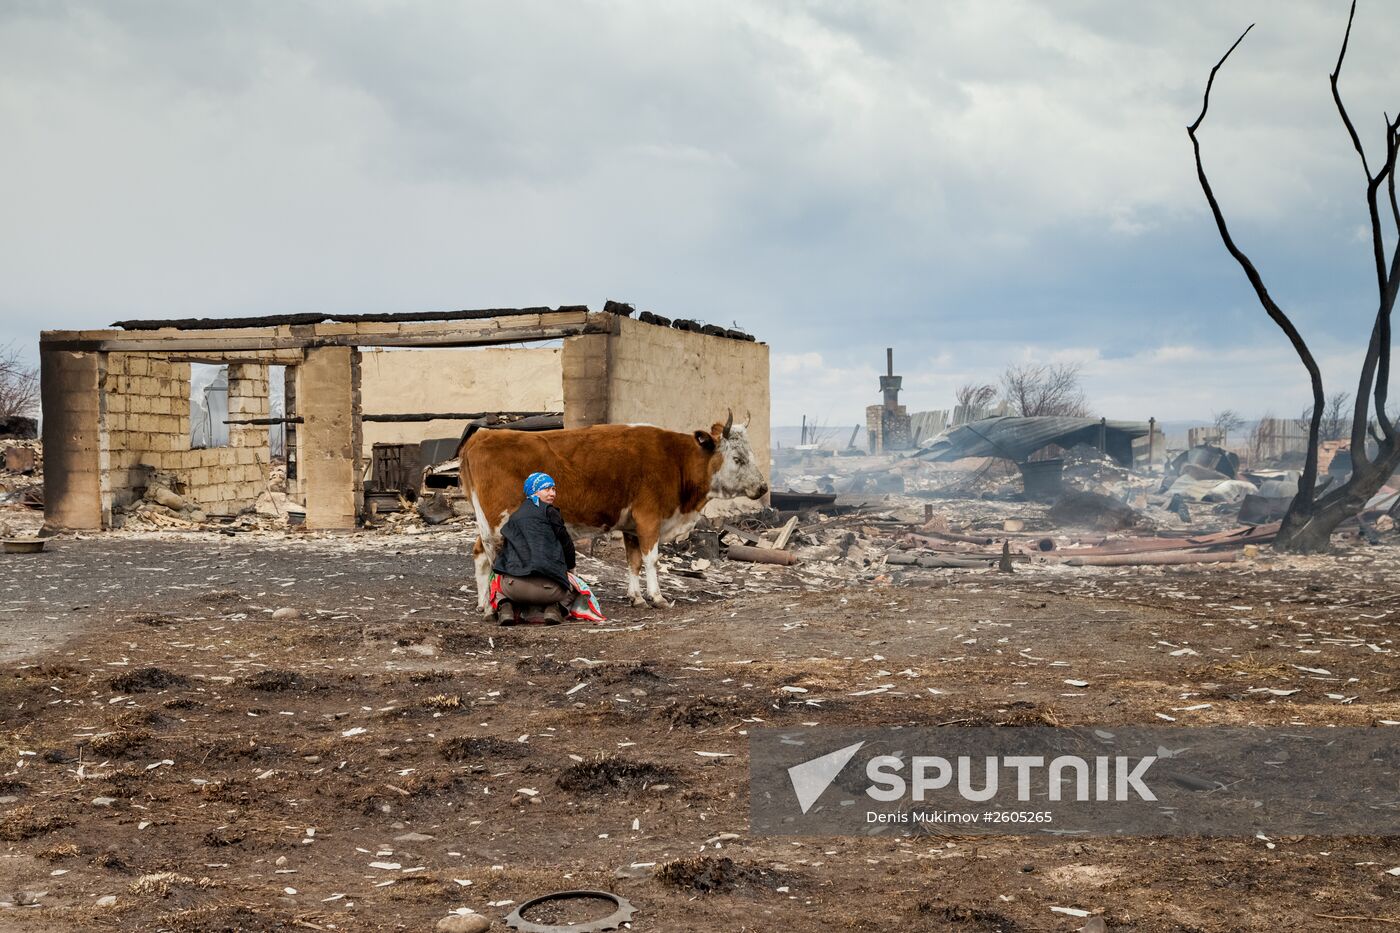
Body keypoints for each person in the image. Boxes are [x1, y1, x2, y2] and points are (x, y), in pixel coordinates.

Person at [491, 471, 576, 625]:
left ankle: (505, 606)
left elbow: (502, 554)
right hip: (549, 590)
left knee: (496, 578)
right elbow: (567, 544)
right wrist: (570, 569)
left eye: (554, 489)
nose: (552, 493)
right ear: (534, 491)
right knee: (575, 585)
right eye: (547, 489)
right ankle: (556, 608)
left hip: (513, 589)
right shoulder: (550, 512)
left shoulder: (515, 516)